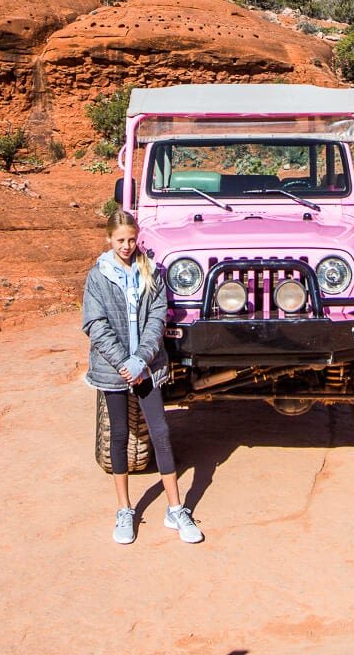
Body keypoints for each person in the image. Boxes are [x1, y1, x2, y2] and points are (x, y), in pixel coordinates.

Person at [82, 208, 204, 544]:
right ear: (109, 239)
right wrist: (124, 362)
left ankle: (175, 509)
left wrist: (141, 360)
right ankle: (125, 510)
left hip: (147, 367)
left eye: (132, 239)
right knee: (119, 435)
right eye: (120, 240)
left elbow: (157, 317)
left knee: (161, 433)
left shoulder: (150, 270)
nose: (126, 245)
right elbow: (95, 324)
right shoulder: (97, 276)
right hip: (113, 370)